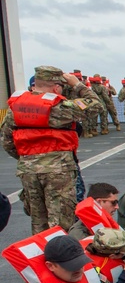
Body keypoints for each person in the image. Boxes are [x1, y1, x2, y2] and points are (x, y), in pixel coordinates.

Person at [1, 65, 103, 234]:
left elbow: (7, 141)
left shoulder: (16, 107)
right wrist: (78, 85)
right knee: (60, 222)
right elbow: (96, 106)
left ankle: (41, 256)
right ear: (56, 87)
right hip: (59, 170)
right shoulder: (58, 107)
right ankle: (60, 257)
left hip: (28, 170)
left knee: (38, 221)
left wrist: (27, 158)